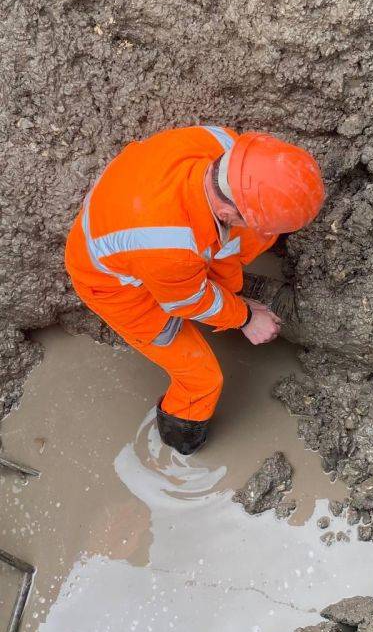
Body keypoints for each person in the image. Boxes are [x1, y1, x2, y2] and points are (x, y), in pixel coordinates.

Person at [65, 126, 325, 454]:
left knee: (256, 235)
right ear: (229, 213)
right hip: (115, 285)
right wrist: (245, 317)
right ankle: (182, 437)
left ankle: (234, 281)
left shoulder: (226, 149)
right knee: (202, 379)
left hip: (147, 228)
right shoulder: (167, 247)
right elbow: (190, 302)